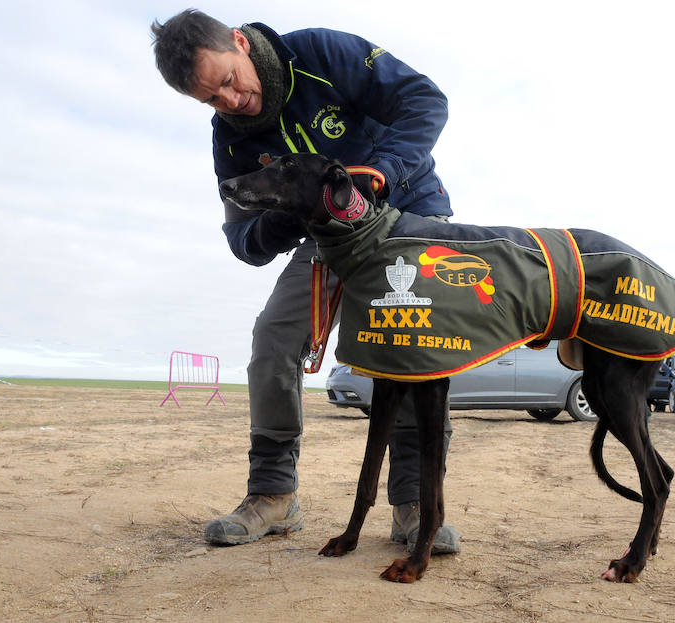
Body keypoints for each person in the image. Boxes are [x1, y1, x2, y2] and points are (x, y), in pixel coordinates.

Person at [151, 9, 460, 552]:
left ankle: (413, 504)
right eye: (210, 99)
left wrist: (384, 168)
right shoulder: (231, 141)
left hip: (408, 211)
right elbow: (243, 240)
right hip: (325, 236)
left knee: (417, 348)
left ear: (241, 44)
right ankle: (273, 496)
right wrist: (293, 209)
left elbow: (426, 101)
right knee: (273, 338)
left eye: (227, 81)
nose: (229, 102)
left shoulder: (321, 55)